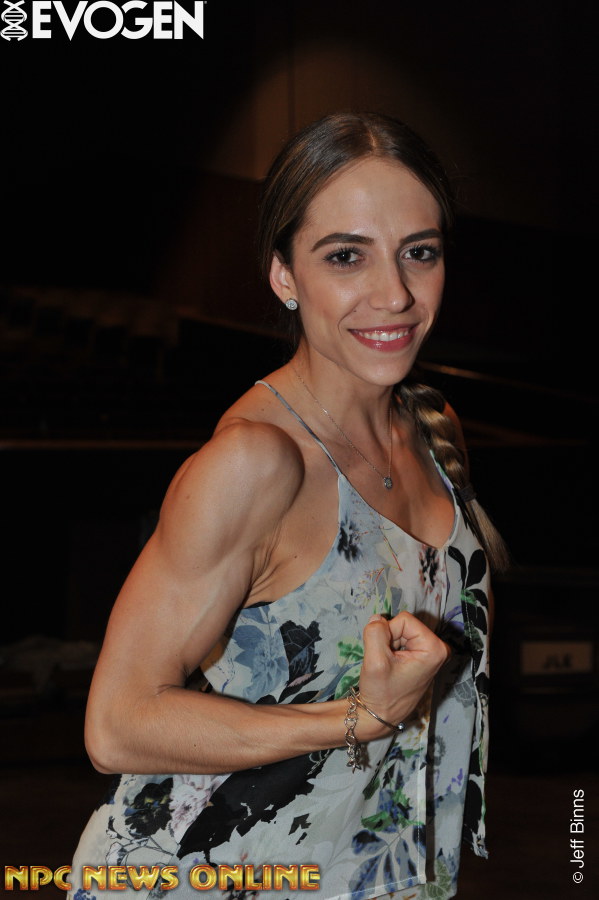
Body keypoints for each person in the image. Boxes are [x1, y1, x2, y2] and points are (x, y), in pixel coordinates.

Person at [68, 112, 508, 900]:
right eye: (345, 256)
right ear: (283, 275)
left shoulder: (430, 426)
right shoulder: (255, 462)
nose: (394, 294)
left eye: (419, 252)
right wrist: (360, 718)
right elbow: (116, 724)